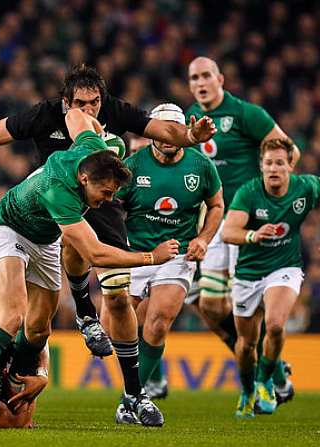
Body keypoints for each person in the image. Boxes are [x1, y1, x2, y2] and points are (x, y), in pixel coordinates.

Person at [0, 65, 215, 412]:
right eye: (81, 104)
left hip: (73, 209)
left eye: (95, 104)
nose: (90, 110)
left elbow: (115, 126)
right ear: (64, 102)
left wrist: (191, 137)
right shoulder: (46, 123)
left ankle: (127, 392)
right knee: (13, 316)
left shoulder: (98, 127)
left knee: (56, 322)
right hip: (39, 211)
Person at [0, 108, 182, 430]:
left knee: (40, 329)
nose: (107, 200)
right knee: (12, 316)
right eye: (105, 193)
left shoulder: (90, 151)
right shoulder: (60, 192)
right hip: (9, 229)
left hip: (44, 240)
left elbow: (77, 118)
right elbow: (95, 253)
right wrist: (151, 258)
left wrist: (95, 126)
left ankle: (13, 376)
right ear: (84, 179)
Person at [186, 57, 298, 401]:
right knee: (211, 306)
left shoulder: (248, 114)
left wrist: (273, 198)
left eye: (206, 75)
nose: (201, 82)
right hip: (212, 220)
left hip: (245, 221)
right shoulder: (191, 115)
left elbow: (289, 150)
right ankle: (272, 364)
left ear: (220, 78)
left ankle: (273, 375)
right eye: (194, 78)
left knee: (243, 307)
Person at [117, 103, 223, 417]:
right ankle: (142, 384)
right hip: (134, 255)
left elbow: (216, 205)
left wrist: (203, 239)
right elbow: (109, 208)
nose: (167, 137)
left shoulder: (201, 165)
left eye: (173, 130)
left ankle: (131, 399)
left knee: (159, 321)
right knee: (114, 328)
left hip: (177, 256)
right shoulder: (132, 166)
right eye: (160, 129)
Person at [223, 138, 320, 418]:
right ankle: (247, 391)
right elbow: (228, 232)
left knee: (274, 324)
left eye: (280, 163)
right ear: (261, 166)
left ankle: (264, 382)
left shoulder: (305, 186)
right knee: (246, 344)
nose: (274, 168)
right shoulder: (248, 193)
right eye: (269, 163)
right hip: (248, 272)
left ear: (290, 165)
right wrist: (253, 235)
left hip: (284, 267)